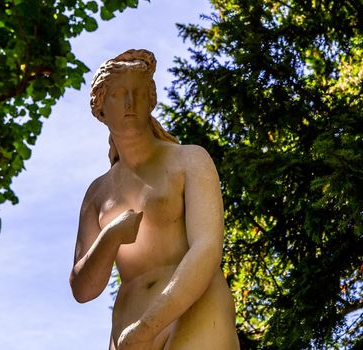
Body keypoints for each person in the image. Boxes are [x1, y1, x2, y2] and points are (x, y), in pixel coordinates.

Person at [69, 49, 239, 350]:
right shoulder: (98, 193)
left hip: (194, 307)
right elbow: (83, 290)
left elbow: (207, 248)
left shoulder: (188, 160)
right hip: (126, 328)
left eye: (138, 93)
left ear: (151, 99)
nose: (130, 103)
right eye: (119, 94)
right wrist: (110, 237)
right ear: (101, 109)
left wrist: (148, 327)